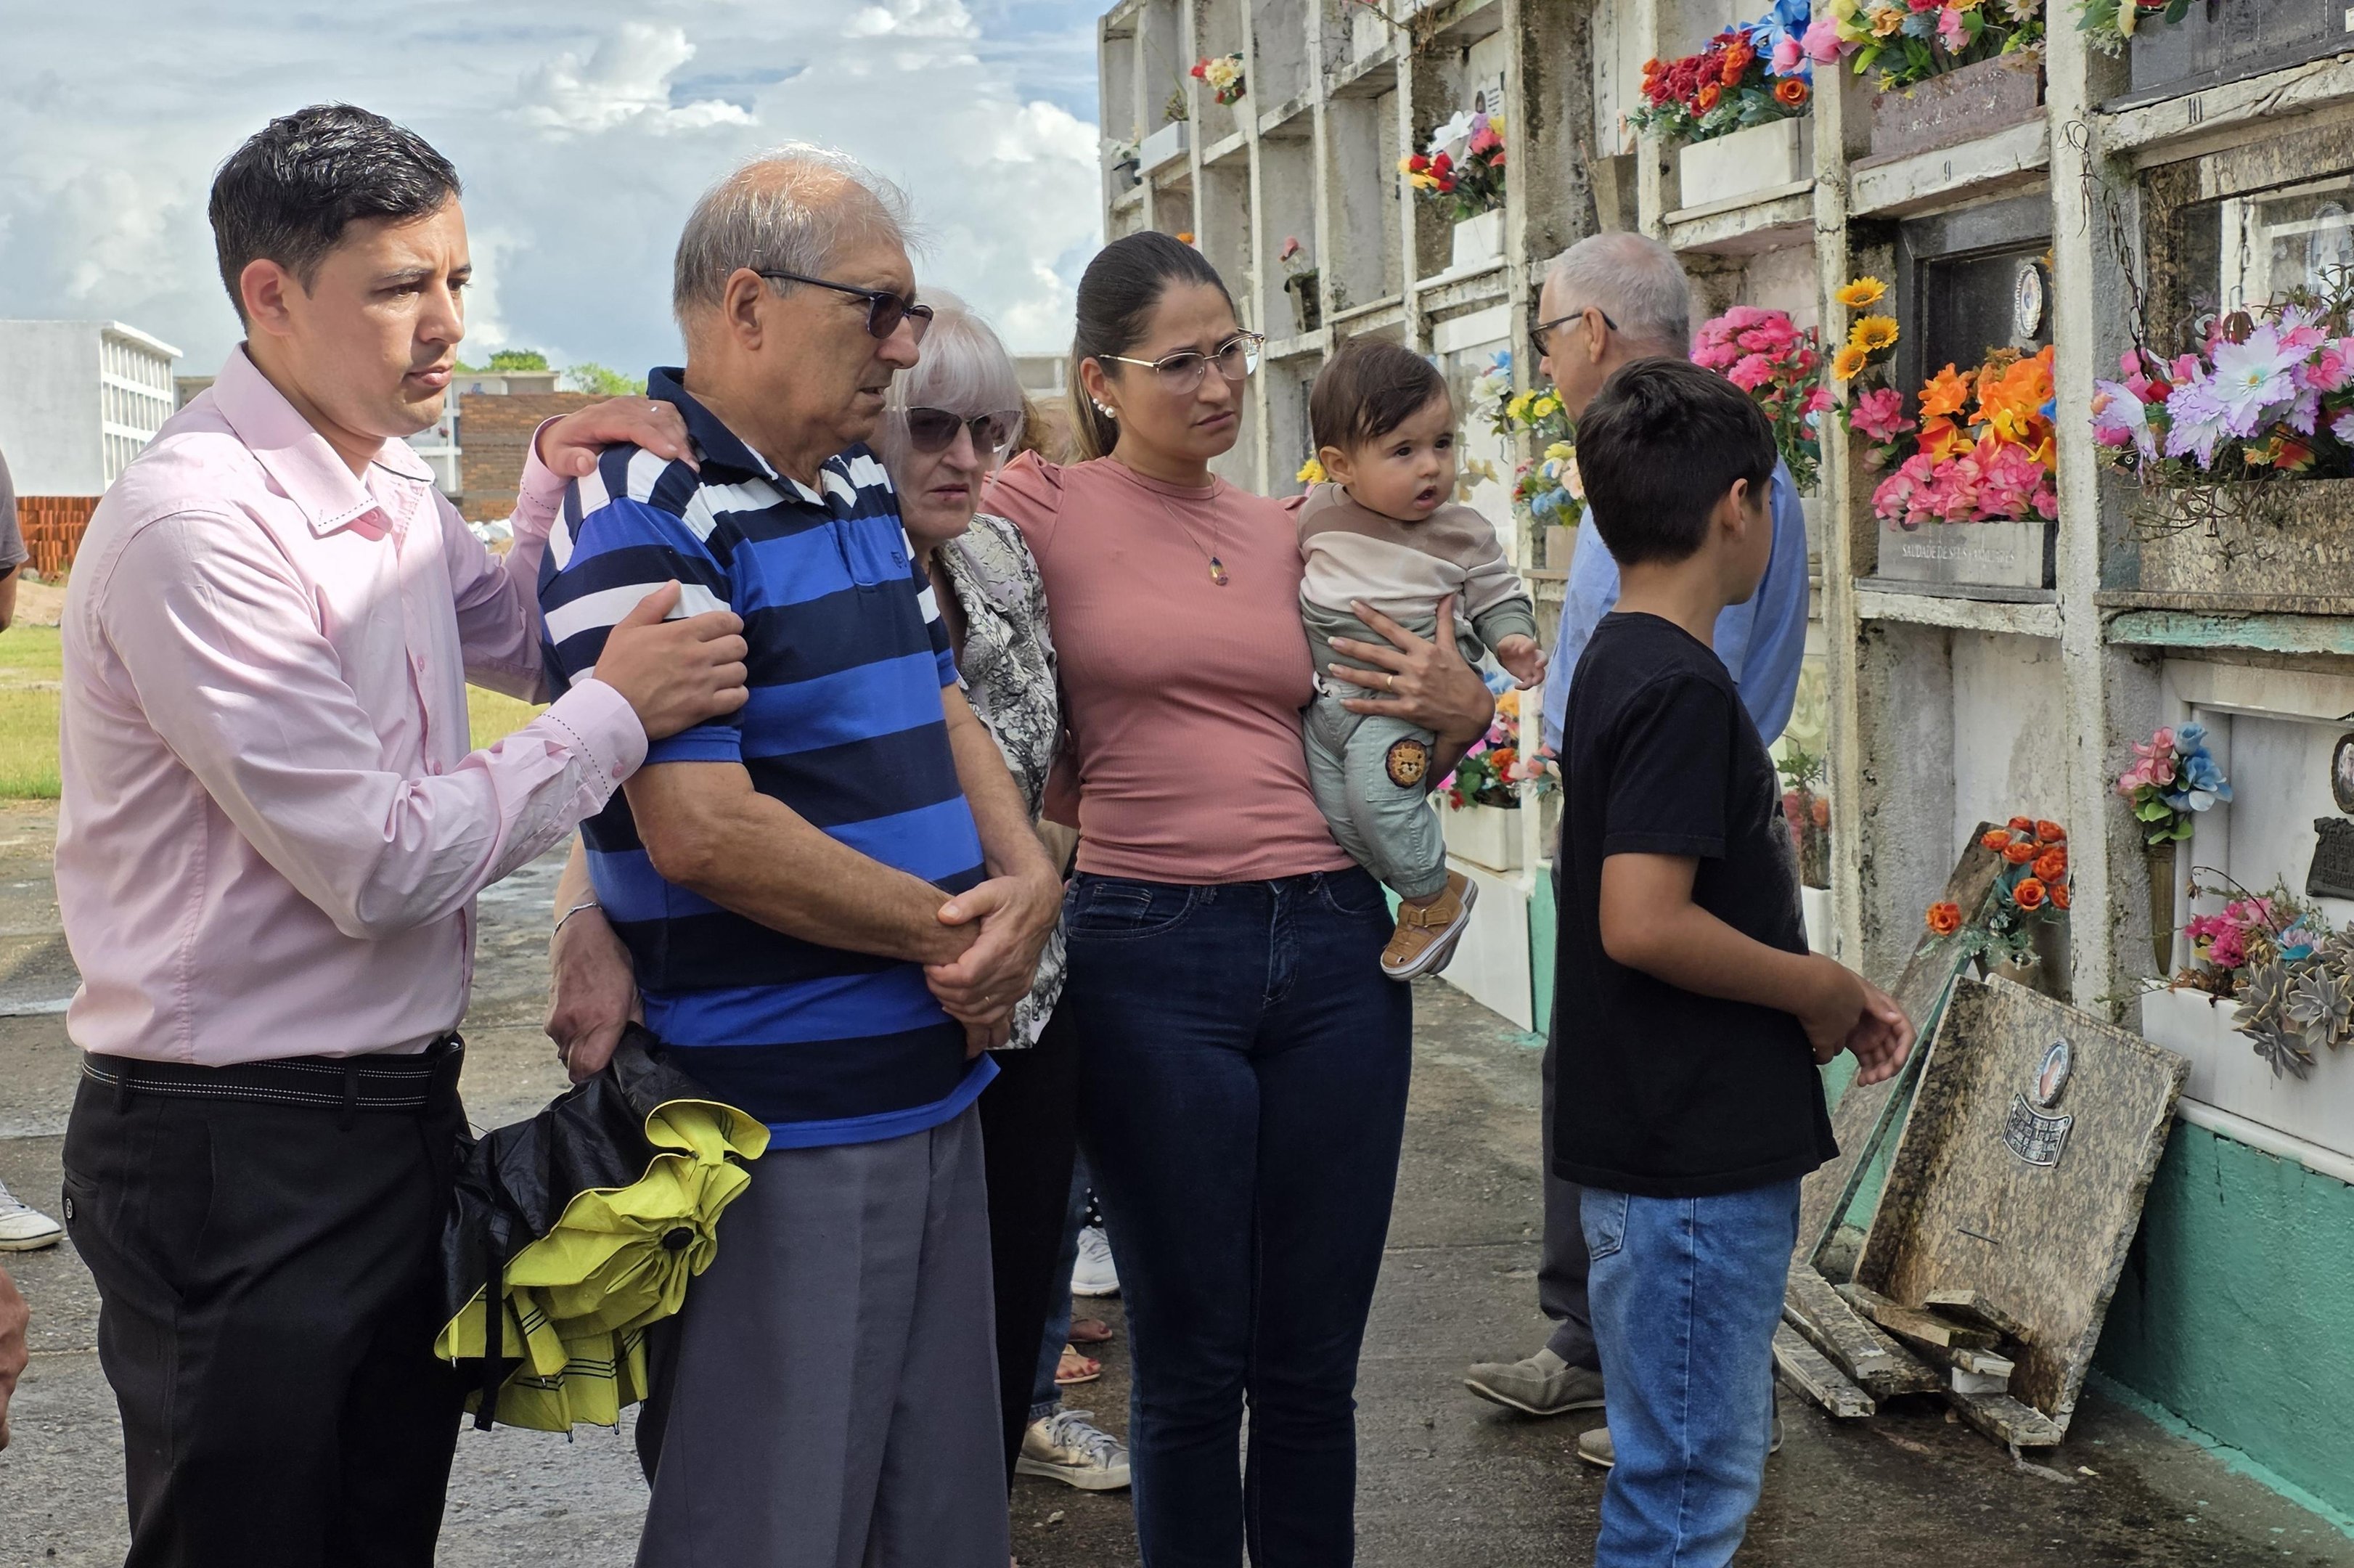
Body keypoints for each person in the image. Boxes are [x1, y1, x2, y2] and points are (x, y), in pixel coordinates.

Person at [53, 104, 745, 1567]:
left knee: (374, 1531)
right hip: (235, 1152)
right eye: (398, 288)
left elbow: (505, 628)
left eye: (458, 282)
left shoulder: (381, 485)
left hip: (387, 1126)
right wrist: (614, 717)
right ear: (269, 295)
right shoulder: (202, 527)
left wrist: (552, 469)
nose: (445, 326)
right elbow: (378, 863)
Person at [534, 150, 1060, 1568]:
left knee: (937, 1517)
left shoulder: (849, 487)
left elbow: (940, 697)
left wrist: (1029, 885)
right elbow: (701, 830)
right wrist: (956, 934)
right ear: (751, 305)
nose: (904, 342)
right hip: (783, 1121)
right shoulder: (641, 503)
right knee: (772, 1520)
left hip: (931, 1080)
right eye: (879, 309)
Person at [984, 229, 1496, 1567]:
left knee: (1314, 1364)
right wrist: (624, 420)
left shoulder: (1292, 525)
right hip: (1150, 952)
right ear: (1100, 381)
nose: (1218, 386)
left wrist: (1470, 708)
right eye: (1182, 362)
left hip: (1332, 943)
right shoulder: (1038, 502)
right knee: (1196, 1361)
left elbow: (1399, 701)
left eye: (1233, 353)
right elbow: (879, 450)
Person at [1556, 357, 1910, 1568]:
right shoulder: (1677, 688)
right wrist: (1814, 986)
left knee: (1677, 1480)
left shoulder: (1618, 657)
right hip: (1687, 1161)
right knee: (1688, 1498)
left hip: (1665, 1152)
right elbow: (1641, 921)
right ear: (1738, 505)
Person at [1463, 231, 1811, 1440]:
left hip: (1666, 820)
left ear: (1596, 336)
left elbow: (1665, 687)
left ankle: (1666, 1368)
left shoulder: (1694, 490)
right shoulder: (1688, 471)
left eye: (1548, 333)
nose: (1546, 358)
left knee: (1661, 1088)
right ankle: (1629, 1351)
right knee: (1620, 1074)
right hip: (1665, 804)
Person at [1296, 337, 1545, 979]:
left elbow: (1497, 594)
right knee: (1336, 815)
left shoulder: (1462, 532)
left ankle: (1429, 899)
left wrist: (1512, 639)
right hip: (1328, 705)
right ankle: (1435, 887)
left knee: (1378, 798)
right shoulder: (1313, 515)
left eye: (1441, 443)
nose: (1430, 466)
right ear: (1339, 464)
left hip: (1401, 706)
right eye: (1402, 451)